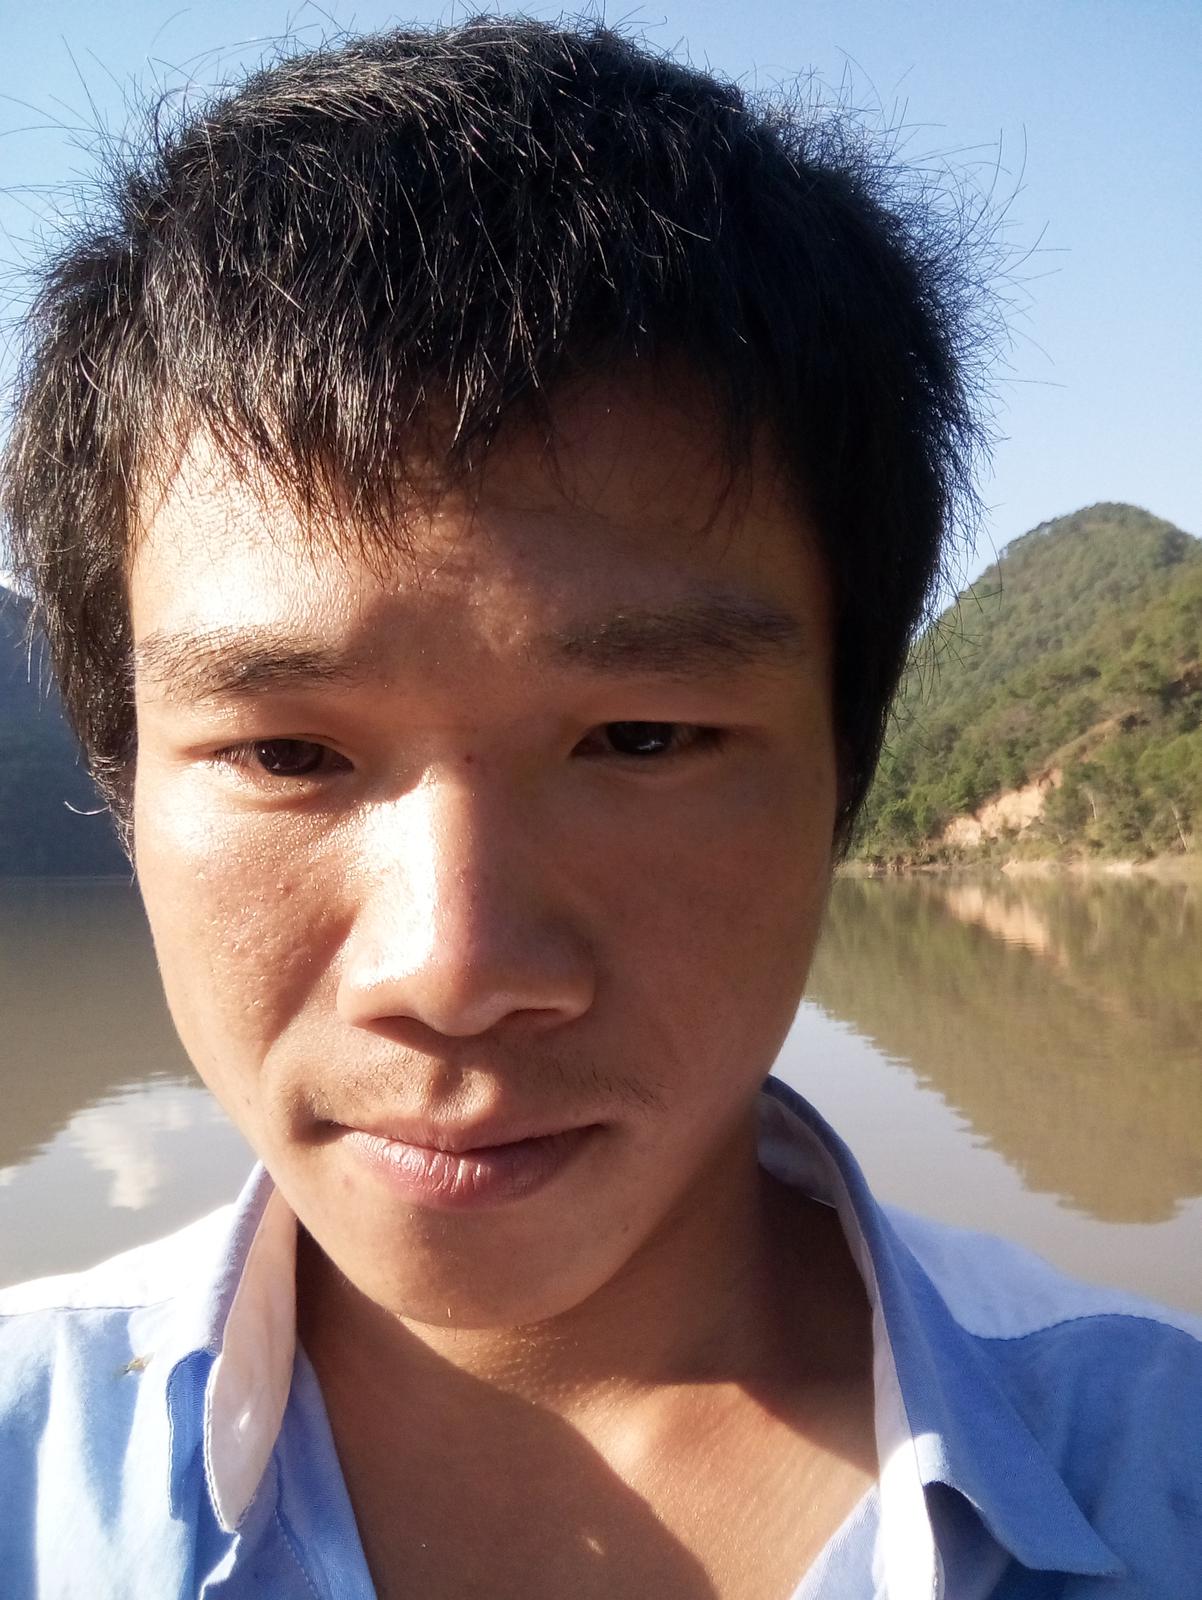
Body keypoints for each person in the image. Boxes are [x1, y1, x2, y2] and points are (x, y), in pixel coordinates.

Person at [0, 18, 1198, 1599]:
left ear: (841, 770)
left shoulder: (1158, 1470)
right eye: (287, 754)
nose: (454, 971)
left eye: (639, 738)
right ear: (126, 789)